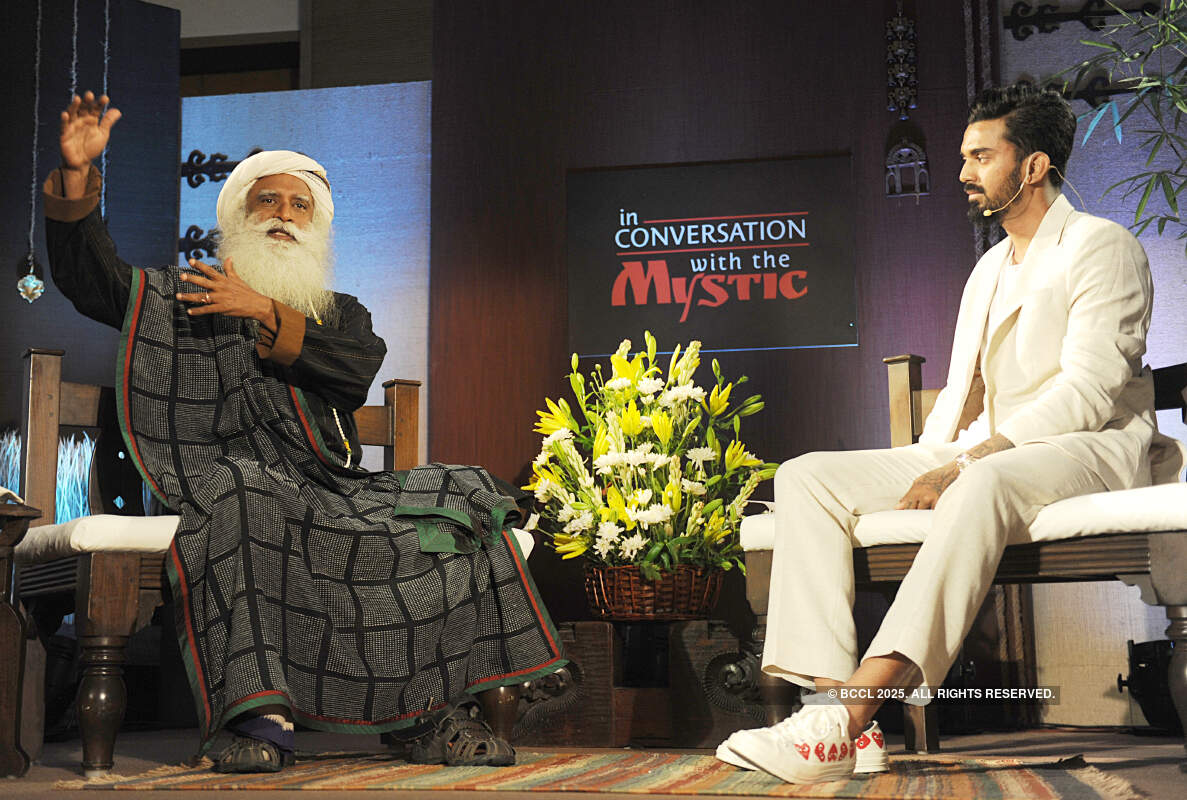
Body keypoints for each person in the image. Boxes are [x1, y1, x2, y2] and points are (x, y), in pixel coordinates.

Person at [45, 91, 566, 773]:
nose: (283, 216)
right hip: (224, 484)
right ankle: (256, 715)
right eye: (267, 202)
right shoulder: (185, 296)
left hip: (332, 487)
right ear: (237, 216)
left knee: (457, 494)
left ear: (317, 227)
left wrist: (263, 311)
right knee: (243, 489)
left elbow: (353, 374)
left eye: (299, 206)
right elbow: (93, 281)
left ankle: (432, 713)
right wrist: (79, 179)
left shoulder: (340, 314)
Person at [714, 81, 1184, 784]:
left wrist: (964, 465)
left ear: (1032, 165)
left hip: (1091, 448)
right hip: (991, 449)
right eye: (963, 156)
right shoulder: (989, 267)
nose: (963, 172)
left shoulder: (1100, 246)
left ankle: (846, 715)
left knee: (981, 477)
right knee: (805, 474)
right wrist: (920, 462)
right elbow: (961, 401)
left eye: (980, 155)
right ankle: (828, 706)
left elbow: (1087, 394)